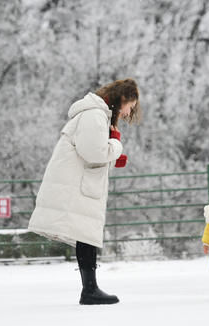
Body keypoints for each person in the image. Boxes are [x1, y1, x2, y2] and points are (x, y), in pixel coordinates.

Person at [28, 78, 141, 305]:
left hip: (80, 183)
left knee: (85, 234)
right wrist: (116, 146)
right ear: (122, 98)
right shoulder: (94, 115)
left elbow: (92, 151)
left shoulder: (97, 114)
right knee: (85, 234)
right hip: (77, 184)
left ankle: (90, 288)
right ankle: (89, 290)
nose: (130, 112)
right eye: (131, 105)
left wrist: (113, 154)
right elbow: (94, 152)